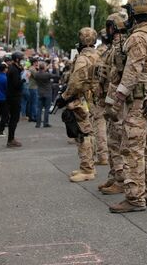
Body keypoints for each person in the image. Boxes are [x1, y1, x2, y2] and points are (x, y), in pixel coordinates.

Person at [105, 0, 147, 213]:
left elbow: (131, 72)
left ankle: (135, 197)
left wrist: (117, 100)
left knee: (132, 148)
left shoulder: (137, 37)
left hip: (138, 100)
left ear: (132, 14)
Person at [58, 28, 100, 182]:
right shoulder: (98, 55)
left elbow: (76, 82)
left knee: (83, 134)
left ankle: (87, 168)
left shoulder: (83, 58)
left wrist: (64, 97)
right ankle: (88, 166)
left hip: (82, 100)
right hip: (94, 99)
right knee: (90, 132)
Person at [98, 12, 128, 196]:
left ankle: (121, 179)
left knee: (117, 142)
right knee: (112, 140)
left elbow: (117, 75)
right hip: (112, 99)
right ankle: (114, 175)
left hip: (118, 101)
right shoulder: (113, 47)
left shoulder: (122, 46)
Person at [91, 30, 110, 166]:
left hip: (101, 92)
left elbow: (94, 72)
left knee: (99, 122)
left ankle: (102, 154)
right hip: (115, 91)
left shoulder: (98, 53)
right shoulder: (116, 48)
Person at [6, 52, 24, 147]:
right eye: (21, 59)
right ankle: (11, 139)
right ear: (17, 59)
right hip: (14, 97)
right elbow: (16, 84)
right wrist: (24, 79)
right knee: (14, 118)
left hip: (12, 96)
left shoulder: (14, 69)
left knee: (14, 118)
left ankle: (11, 138)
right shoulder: (14, 70)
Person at [32, 62, 54, 128]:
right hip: (47, 92)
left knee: (39, 109)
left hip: (39, 92)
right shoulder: (47, 74)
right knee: (47, 109)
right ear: (44, 67)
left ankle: (38, 124)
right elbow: (57, 76)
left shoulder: (36, 74)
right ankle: (45, 123)